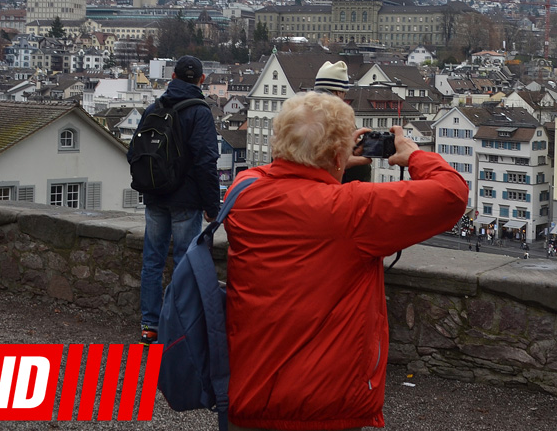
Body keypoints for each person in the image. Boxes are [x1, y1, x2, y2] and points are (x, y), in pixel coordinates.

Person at [223, 91, 467, 430]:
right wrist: (415, 156)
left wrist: (328, 162)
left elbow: (277, 175)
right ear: (339, 152)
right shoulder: (350, 210)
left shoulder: (244, 191)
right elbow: (451, 194)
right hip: (322, 406)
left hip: (249, 395)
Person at [137, 55, 219, 345]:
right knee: (184, 262)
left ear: (171, 78)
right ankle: (179, 326)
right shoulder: (200, 113)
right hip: (186, 200)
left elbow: (136, 152)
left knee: (152, 261)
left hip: (156, 195)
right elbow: (207, 163)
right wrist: (213, 206)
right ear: (201, 80)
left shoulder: (154, 108)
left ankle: (150, 325)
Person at [314, 59, 372, 184]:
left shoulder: (295, 112)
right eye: (344, 93)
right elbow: (356, 175)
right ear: (339, 92)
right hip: (330, 191)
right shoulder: (339, 117)